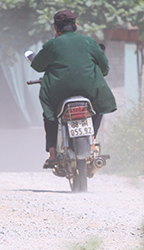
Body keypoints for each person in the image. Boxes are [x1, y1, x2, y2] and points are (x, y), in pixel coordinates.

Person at [29, 9, 116, 168]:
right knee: (99, 104)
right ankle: (93, 141)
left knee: (49, 113)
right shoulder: (89, 42)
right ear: (75, 25)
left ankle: (53, 153)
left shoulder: (52, 45)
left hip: (59, 92)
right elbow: (104, 68)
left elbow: (38, 66)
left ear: (56, 28)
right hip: (88, 90)